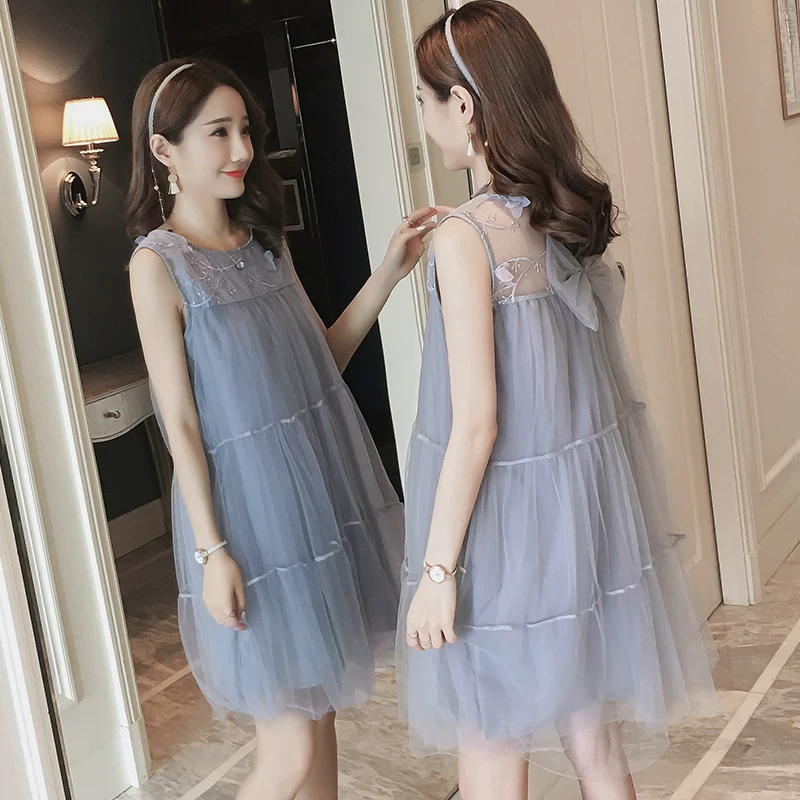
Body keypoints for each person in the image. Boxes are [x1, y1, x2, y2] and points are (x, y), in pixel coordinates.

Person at [397, 4, 718, 799]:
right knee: (597, 748)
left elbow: (477, 422)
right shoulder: (559, 216)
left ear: (462, 106)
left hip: (502, 536)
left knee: (491, 748)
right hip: (583, 525)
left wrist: (437, 570)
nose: (423, 116)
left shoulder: (465, 237)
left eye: (425, 98)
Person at [125, 57, 439, 800]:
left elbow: (320, 364)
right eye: (218, 132)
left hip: (311, 503)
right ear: (164, 149)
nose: (241, 150)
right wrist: (212, 552)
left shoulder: (266, 243)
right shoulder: (157, 265)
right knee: (290, 750)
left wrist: (388, 273)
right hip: (245, 522)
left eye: (245, 131)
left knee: (320, 721)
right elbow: (179, 422)